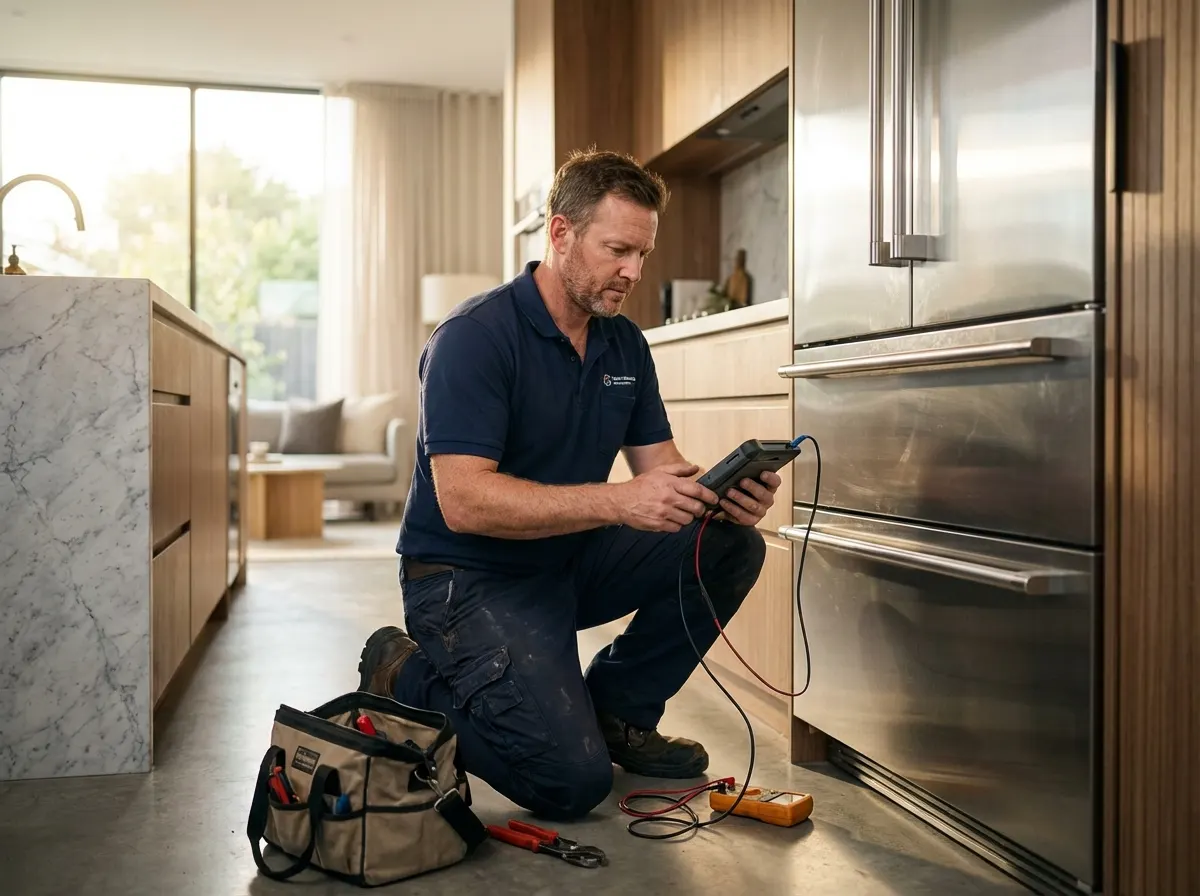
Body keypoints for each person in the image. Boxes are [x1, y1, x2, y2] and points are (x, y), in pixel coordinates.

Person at [356, 148, 780, 821]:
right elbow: (462, 502)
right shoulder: (474, 338)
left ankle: (620, 713)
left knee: (728, 545)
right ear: (560, 234)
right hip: (466, 578)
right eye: (618, 250)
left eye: (641, 253)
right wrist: (618, 502)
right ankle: (401, 670)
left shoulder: (623, 347)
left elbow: (661, 470)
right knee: (571, 785)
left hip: (567, 558)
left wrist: (723, 497)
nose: (633, 272)